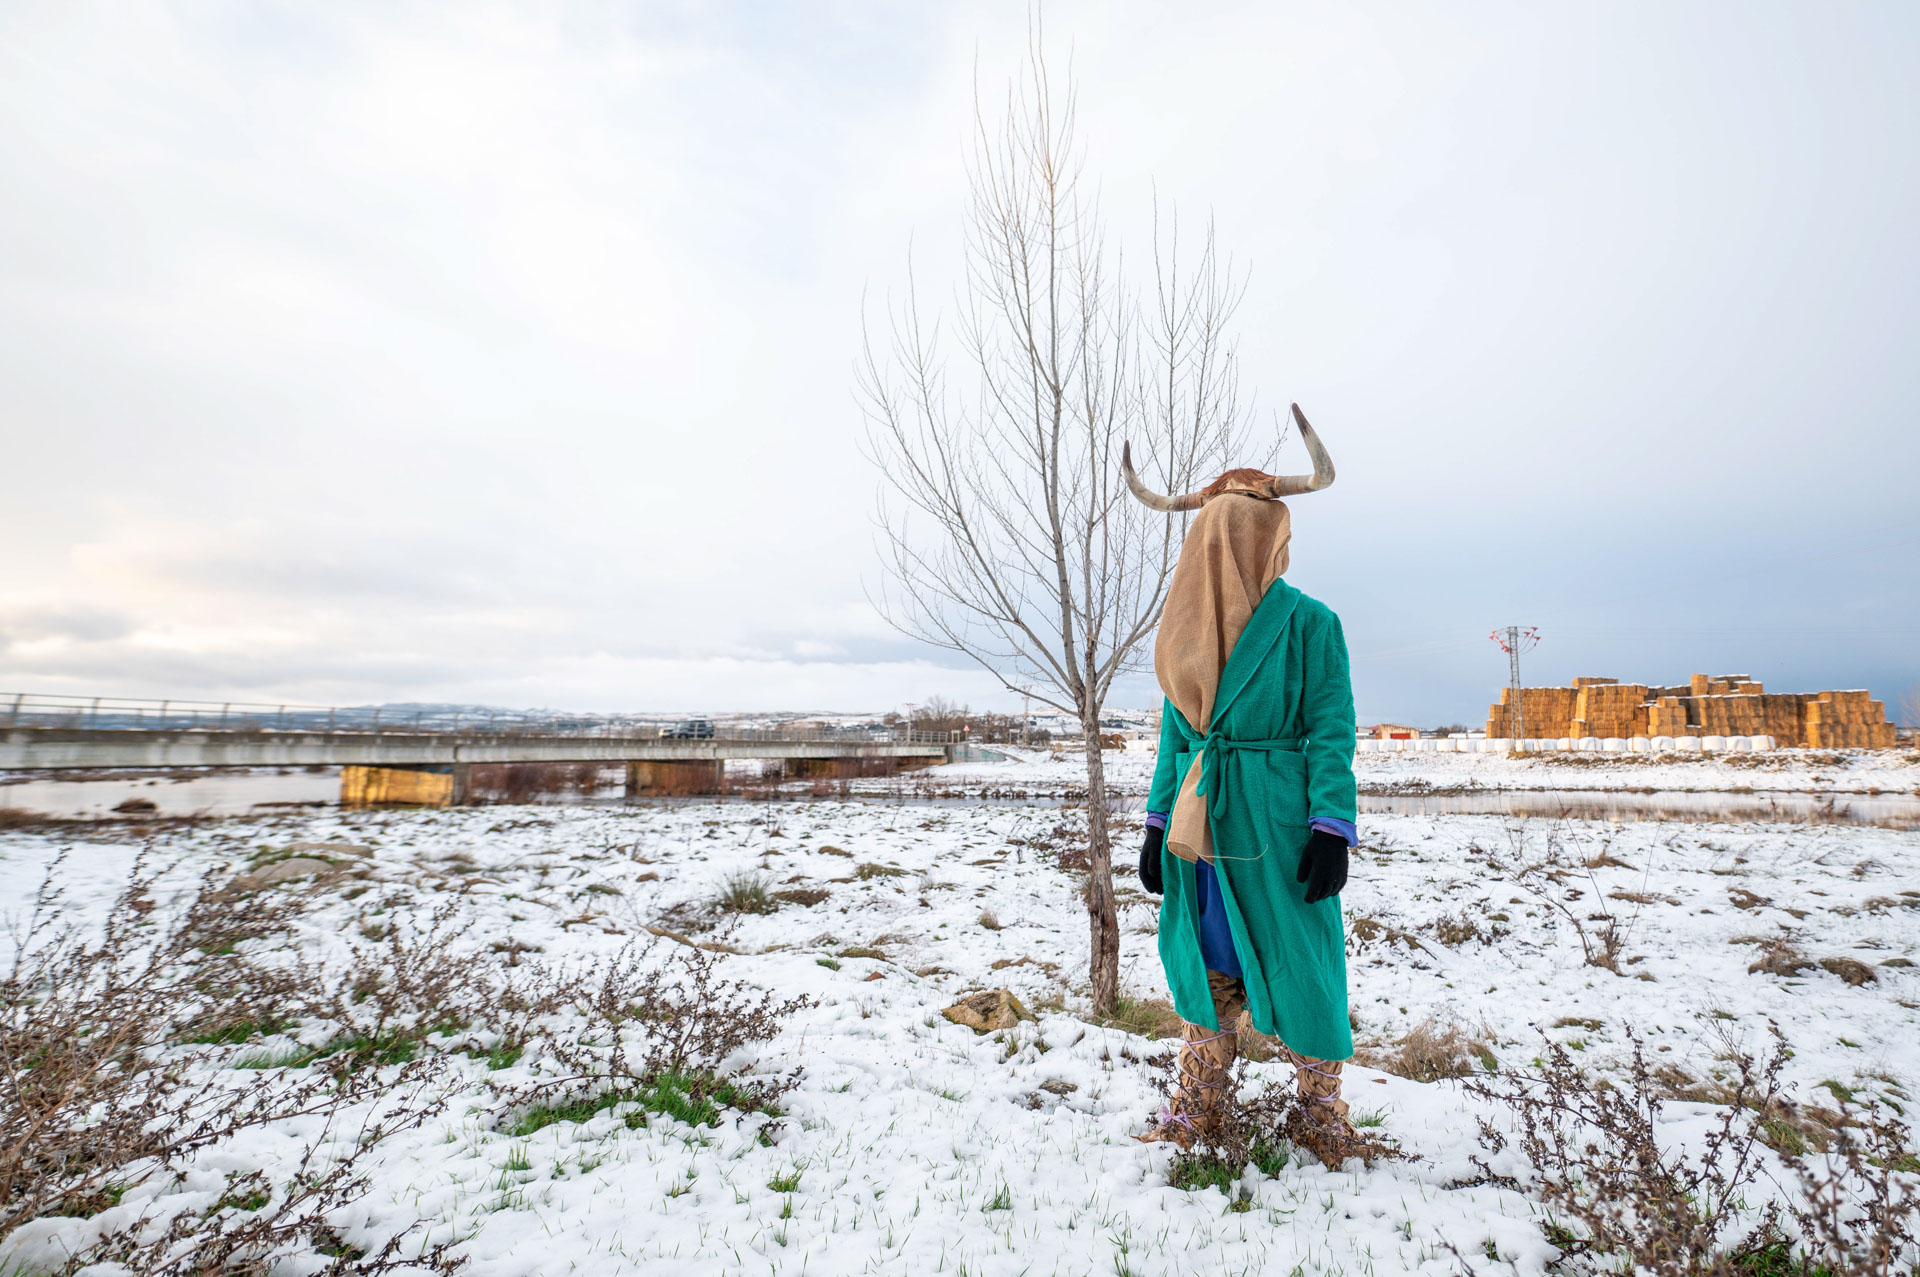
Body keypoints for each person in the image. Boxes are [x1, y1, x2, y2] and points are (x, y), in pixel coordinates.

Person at [1122, 406, 1362, 1167]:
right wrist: (1158, 821)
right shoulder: (1187, 636)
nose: (1232, 549)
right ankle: (1199, 1103)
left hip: (1279, 820)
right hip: (1202, 819)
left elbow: (1331, 728)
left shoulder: (1309, 625)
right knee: (1200, 951)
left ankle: (1320, 1112)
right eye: (1218, 537)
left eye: (1245, 534)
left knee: (1303, 951)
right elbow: (1177, 736)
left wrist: (1331, 824)